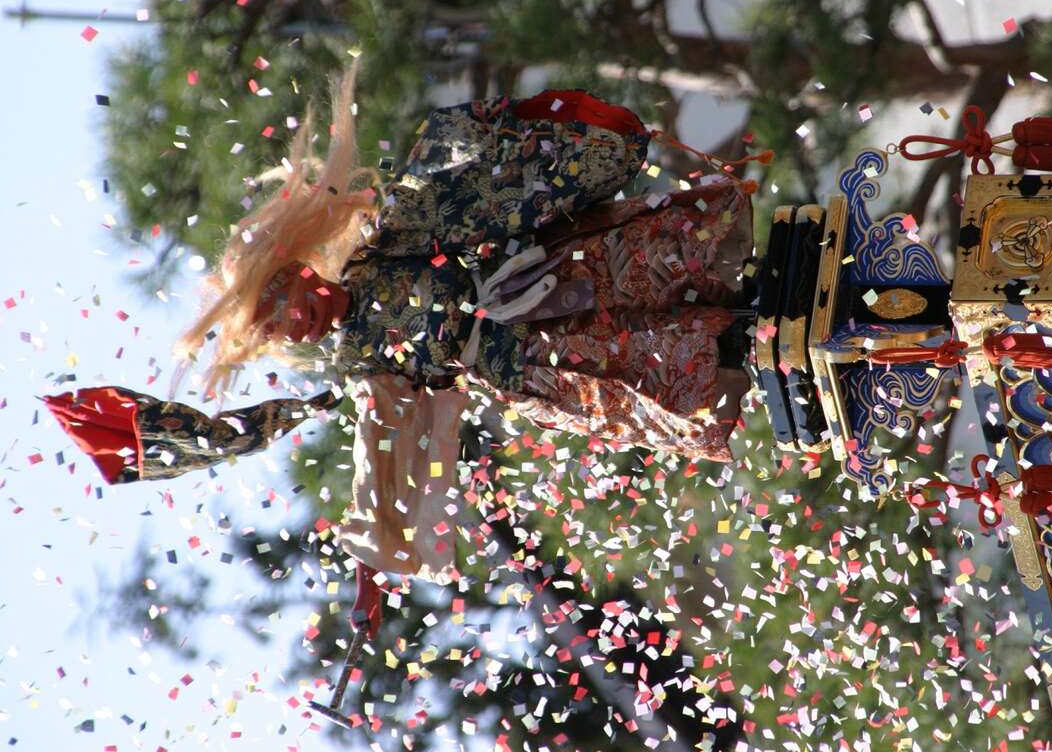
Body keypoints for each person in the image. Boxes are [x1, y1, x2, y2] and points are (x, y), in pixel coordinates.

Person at [43, 66, 759, 598]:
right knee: (663, 371)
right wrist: (373, 561)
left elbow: (460, 186)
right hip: (541, 367)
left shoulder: (388, 241)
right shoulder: (360, 363)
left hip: (558, 271)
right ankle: (748, 352)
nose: (298, 322)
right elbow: (377, 450)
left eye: (285, 300)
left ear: (301, 273)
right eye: (281, 329)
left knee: (669, 274)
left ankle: (754, 303)